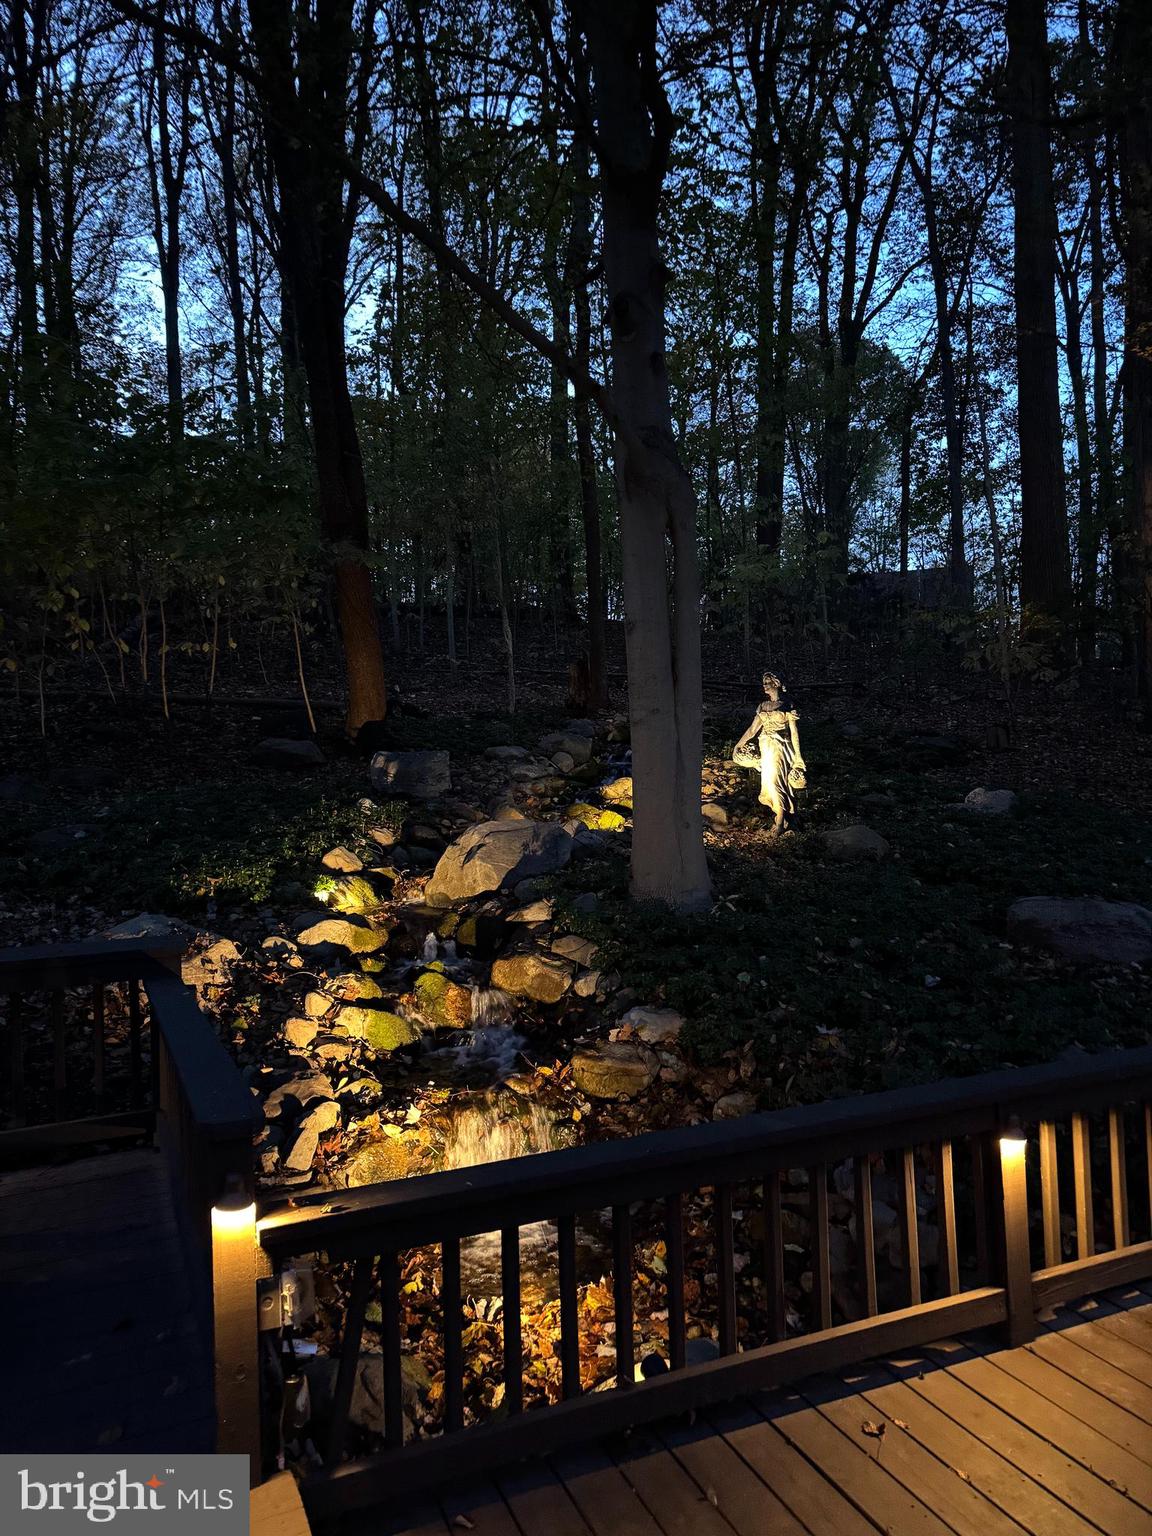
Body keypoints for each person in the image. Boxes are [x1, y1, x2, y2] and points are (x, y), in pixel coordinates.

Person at [732, 671, 806, 835]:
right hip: (765, 746)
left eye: (767, 682)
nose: (764, 685)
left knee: (775, 783)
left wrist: (798, 758)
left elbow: (794, 733)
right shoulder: (763, 706)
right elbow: (752, 730)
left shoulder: (787, 705)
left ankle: (780, 824)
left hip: (780, 747)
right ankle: (783, 818)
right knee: (768, 783)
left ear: (776, 683)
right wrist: (738, 745)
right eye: (763, 683)